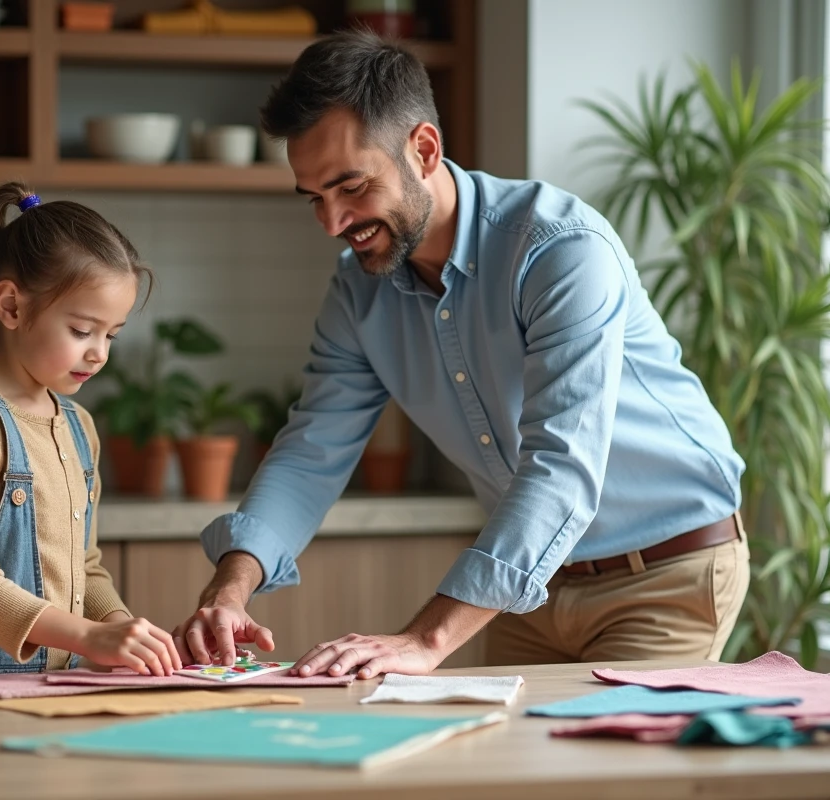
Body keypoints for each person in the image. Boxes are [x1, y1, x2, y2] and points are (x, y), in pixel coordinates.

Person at [175, 30, 750, 678]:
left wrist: (424, 639)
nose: (332, 222)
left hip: (664, 573)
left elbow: (561, 466)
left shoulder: (559, 252)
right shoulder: (357, 290)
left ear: (423, 149)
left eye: (351, 187)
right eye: (316, 198)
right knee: (506, 770)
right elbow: (312, 449)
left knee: (604, 773)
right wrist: (229, 589)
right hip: (531, 587)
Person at [0, 183, 181, 676]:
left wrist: (122, 631)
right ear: (11, 307)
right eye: (82, 331)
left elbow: (87, 565)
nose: (100, 353)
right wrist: (91, 635)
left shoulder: (79, 426)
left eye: (111, 335)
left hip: (61, 679)